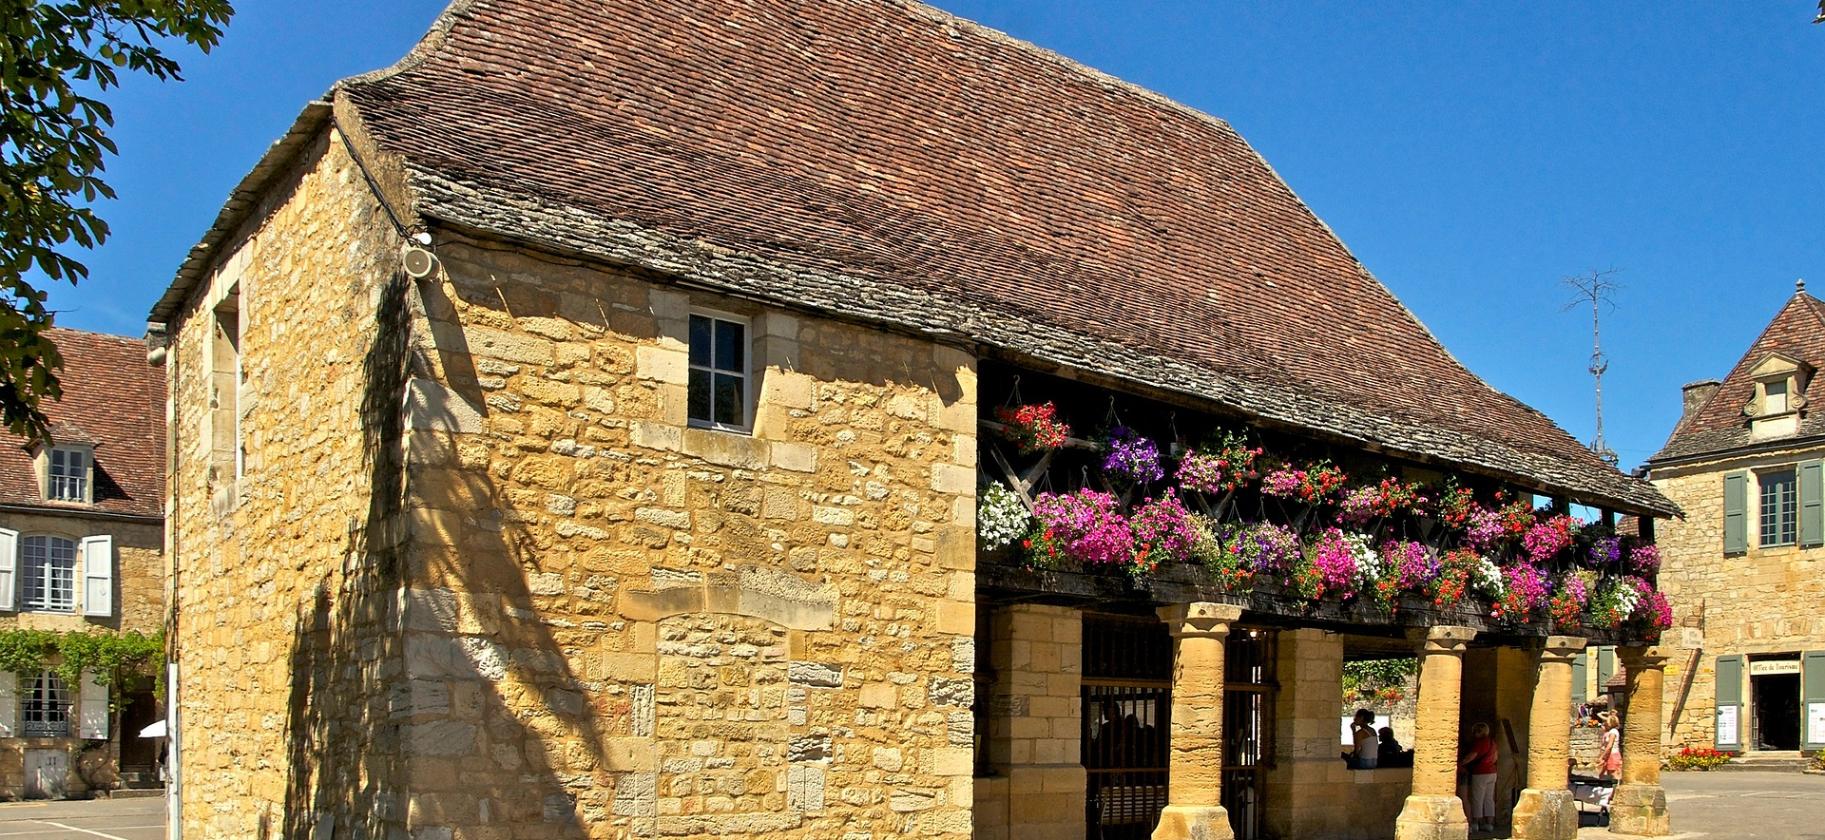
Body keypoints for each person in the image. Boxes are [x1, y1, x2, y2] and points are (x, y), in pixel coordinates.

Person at [1459, 721, 1499, 834]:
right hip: (1492, 772)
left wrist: (1462, 762)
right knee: (1489, 798)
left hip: (1480, 773)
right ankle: (1489, 823)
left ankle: (1476, 822)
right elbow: (1495, 757)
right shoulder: (1492, 742)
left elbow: (1472, 756)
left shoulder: (1480, 743)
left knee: (1477, 798)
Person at [1599, 712, 1623, 781]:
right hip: (1610, 755)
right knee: (1605, 773)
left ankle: (1616, 790)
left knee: (1614, 775)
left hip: (1612, 754)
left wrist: (1602, 756)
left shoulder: (1613, 732)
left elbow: (1609, 746)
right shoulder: (1611, 731)